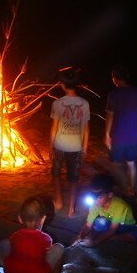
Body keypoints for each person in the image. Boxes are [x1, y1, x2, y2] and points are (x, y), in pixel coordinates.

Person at [104, 65, 137, 197]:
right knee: (131, 164)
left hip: (118, 136)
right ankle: (131, 189)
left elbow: (109, 115)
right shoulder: (136, 92)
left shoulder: (114, 94)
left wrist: (106, 134)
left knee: (115, 164)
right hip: (134, 135)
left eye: (113, 77)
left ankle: (124, 188)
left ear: (116, 79)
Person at [0, 196, 65, 273]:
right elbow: (44, 256)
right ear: (43, 219)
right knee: (59, 248)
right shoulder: (47, 238)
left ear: (20, 219)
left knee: (4, 243)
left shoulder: (15, 236)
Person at [50, 68, 90, 216]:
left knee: (56, 173)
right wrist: (84, 147)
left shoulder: (58, 103)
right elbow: (86, 128)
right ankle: (71, 208)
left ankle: (59, 202)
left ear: (62, 84)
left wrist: (50, 146)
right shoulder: (84, 103)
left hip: (60, 146)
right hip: (76, 147)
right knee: (73, 178)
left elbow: (54, 128)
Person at [73, 173, 137, 247]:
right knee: (99, 222)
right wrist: (80, 237)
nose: (95, 200)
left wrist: (94, 242)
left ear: (110, 195)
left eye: (99, 197)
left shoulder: (120, 206)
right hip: (111, 223)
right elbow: (88, 225)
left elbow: (112, 229)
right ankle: (107, 237)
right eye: (93, 196)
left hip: (126, 226)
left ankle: (113, 237)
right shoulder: (95, 204)